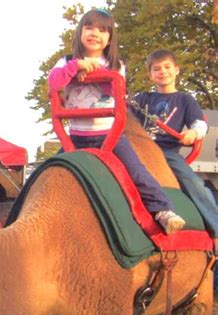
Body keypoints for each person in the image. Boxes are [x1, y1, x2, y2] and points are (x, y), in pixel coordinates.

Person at [48, 8, 185, 235]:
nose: (95, 33)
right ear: (80, 31)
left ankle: (163, 210)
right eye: (89, 27)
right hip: (74, 136)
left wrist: (94, 72)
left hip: (108, 135)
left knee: (136, 170)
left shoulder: (115, 63)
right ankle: (27, 212)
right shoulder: (67, 61)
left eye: (102, 30)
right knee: (49, 172)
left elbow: (114, 88)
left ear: (109, 38)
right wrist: (75, 68)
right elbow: (54, 82)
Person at [129, 49, 218, 238]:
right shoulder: (143, 99)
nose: (163, 72)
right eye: (157, 69)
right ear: (150, 75)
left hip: (166, 152)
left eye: (167, 67)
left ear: (177, 70)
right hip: (139, 149)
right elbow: (125, 115)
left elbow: (199, 123)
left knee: (194, 183)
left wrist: (193, 133)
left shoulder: (185, 100)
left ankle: (216, 229)